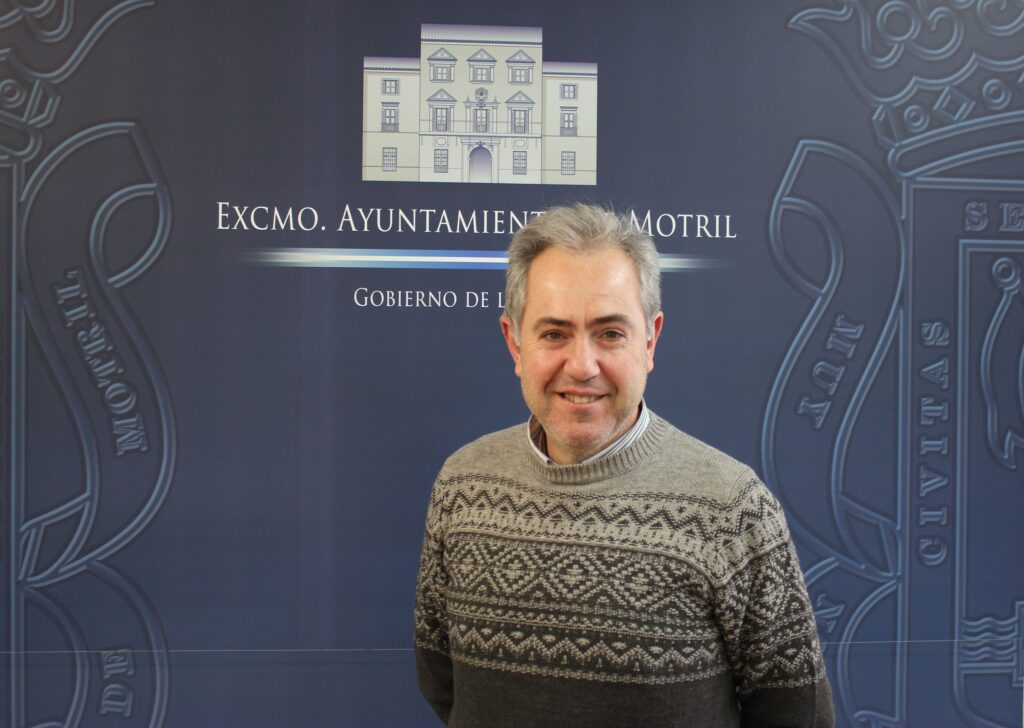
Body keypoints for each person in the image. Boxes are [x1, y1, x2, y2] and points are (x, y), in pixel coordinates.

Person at [414, 204, 835, 727]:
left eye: (610, 333)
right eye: (554, 334)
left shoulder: (732, 509)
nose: (582, 365)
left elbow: (797, 715)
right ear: (514, 342)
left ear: (650, 340)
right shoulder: (462, 484)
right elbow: (443, 684)